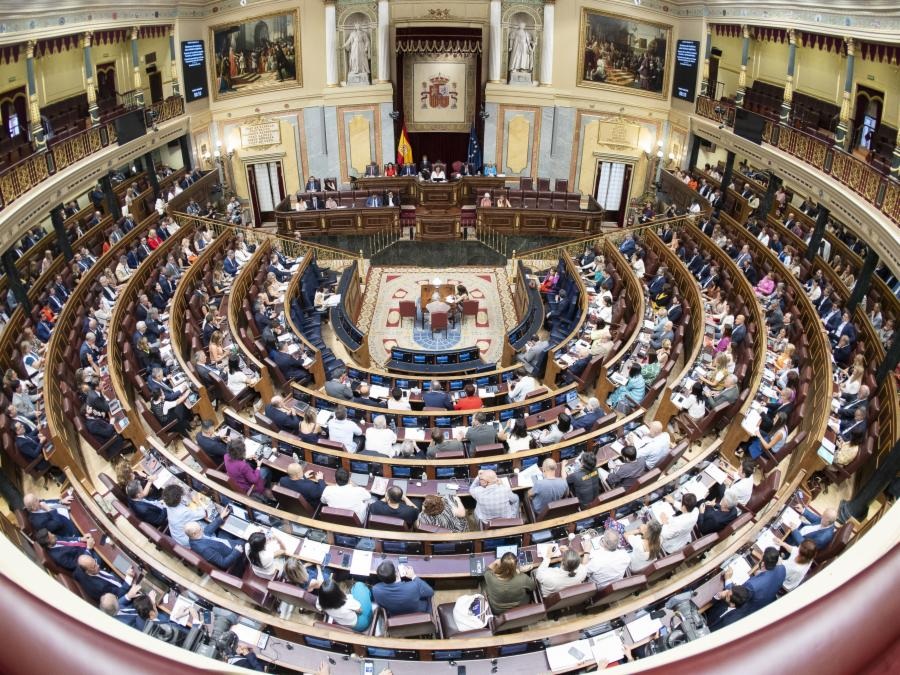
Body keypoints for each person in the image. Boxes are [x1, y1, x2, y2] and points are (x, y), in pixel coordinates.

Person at [74, 554, 140, 602]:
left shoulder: (79, 569)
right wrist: (129, 577)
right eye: (94, 566)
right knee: (137, 574)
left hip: (108, 576)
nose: (98, 565)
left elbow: (75, 575)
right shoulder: (101, 587)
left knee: (117, 557)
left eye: (95, 561)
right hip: (119, 590)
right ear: (88, 571)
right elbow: (119, 594)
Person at [744, 547, 786, 611]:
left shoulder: (751, 584)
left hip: (755, 607)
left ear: (763, 561)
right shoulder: (782, 569)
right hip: (770, 598)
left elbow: (741, 597)